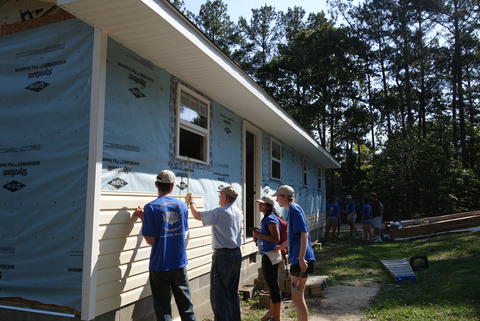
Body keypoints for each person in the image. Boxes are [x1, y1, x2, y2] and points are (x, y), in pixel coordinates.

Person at [133, 170, 196, 321]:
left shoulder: (151, 208)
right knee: (187, 308)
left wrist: (144, 218)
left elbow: (150, 239)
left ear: (156, 185)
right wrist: (146, 218)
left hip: (160, 266)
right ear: (172, 186)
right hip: (179, 264)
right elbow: (178, 229)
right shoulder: (182, 206)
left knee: (163, 310)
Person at [188, 187, 243, 321]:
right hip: (236, 254)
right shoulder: (238, 211)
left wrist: (191, 202)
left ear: (226, 198)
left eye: (220, 196)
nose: (219, 198)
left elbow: (197, 215)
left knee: (219, 294)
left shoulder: (220, 212)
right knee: (231, 292)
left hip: (223, 256)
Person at [274, 185, 315, 321]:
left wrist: (302, 258)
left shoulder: (294, 210)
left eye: (278, 197)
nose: (276, 200)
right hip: (299, 259)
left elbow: (304, 234)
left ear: (285, 196)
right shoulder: (292, 209)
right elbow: (295, 236)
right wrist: (281, 246)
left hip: (300, 260)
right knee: (297, 297)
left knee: (297, 298)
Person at [252, 195, 282, 321]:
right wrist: (258, 238)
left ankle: (276, 317)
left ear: (268, 206)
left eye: (262, 204)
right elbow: (268, 236)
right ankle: (272, 313)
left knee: (273, 286)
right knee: (271, 285)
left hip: (270, 256)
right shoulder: (267, 218)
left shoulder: (270, 219)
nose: (259, 205)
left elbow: (276, 238)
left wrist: (259, 235)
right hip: (268, 255)